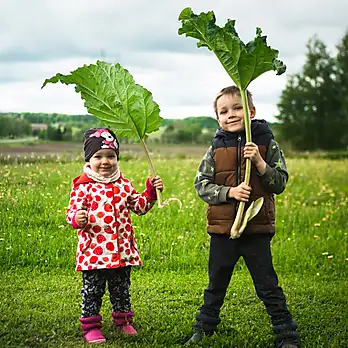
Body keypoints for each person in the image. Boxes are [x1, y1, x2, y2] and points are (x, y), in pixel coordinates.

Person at [185, 86, 300, 347]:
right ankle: (204, 326)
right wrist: (230, 192)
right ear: (217, 118)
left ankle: (286, 333)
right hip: (223, 229)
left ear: (252, 112)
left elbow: (279, 182)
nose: (231, 115)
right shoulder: (215, 148)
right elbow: (201, 184)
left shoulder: (266, 142)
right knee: (216, 282)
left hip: (256, 229)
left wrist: (259, 163)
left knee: (267, 284)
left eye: (238, 108)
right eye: (224, 111)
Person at [66, 128, 164, 344]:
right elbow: (71, 212)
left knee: (121, 290)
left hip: (121, 253)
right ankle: (90, 326)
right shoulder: (83, 186)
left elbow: (139, 207)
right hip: (94, 254)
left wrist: (150, 192)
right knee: (92, 291)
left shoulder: (124, 184)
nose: (105, 162)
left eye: (111, 156)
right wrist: (77, 218)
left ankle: (123, 321)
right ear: (88, 159)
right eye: (98, 156)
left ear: (117, 158)